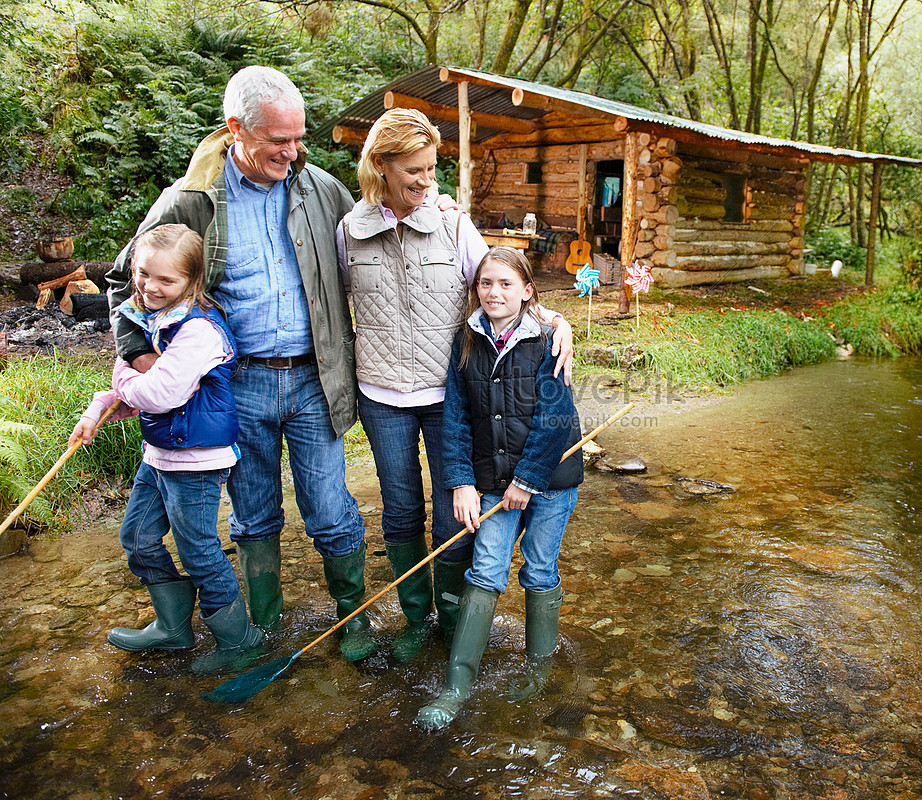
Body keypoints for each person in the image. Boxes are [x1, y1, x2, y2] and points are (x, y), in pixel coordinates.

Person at [106, 66, 373, 661]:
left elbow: (383, 247)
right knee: (253, 517)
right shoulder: (189, 201)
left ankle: (354, 619)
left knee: (330, 510)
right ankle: (260, 628)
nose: (294, 151)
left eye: (299, 137)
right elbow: (126, 284)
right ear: (236, 130)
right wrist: (148, 360)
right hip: (235, 385)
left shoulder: (322, 190)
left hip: (314, 378)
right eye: (279, 140)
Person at [338, 108, 573, 662]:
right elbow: (332, 303)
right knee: (398, 508)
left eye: (432, 168)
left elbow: (499, 286)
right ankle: (416, 619)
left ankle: (451, 619)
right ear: (381, 164)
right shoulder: (349, 229)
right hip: (380, 394)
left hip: (450, 397)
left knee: (453, 514)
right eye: (415, 170)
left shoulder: (452, 222)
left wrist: (555, 323)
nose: (427, 181)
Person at [73, 224, 263, 675]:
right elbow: (136, 389)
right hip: (159, 455)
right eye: (143, 274)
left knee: (198, 550)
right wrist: (97, 408)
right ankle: (173, 626)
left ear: (192, 282)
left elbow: (159, 395)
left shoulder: (198, 330)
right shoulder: (152, 319)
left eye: (166, 280)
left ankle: (241, 640)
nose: (150, 286)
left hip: (197, 460)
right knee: (136, 538)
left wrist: (125, 372)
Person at [414, 246, 583, 731]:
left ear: (529, 291)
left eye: (506, 284)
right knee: (486, 569)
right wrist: (462, 481)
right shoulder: (466, 340)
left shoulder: (548, 338)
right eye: (486, 283)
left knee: (540, 567)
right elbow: (456, 416)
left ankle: (538, 668)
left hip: (550, 483)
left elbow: (556, 419)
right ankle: (457, 684)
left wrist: (528, 481)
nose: (494, 292)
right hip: (491, 481)